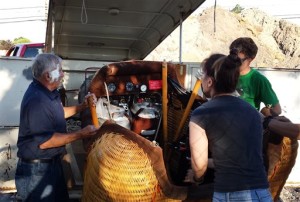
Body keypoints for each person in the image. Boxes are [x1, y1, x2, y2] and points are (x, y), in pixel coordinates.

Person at [187, 50, 273, 201]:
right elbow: (238, 160)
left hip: (231, 194)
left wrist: (196, 178)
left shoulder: (201, 114)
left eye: (203, 76)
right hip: (262, 193)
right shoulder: (253, 112)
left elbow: (199, 166)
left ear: (209, 81)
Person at [15, 53, 98, 202]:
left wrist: (83, 106)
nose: (63, 74)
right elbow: (46, 141)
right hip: (37, 172)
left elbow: (60, 113)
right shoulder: (37, 100)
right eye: (59, 70)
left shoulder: (49, 92)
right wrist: (81, 134)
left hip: (52, 165)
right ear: (48, 75)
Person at [229, 37, 281, 117]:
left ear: (251, 59)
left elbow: (276, 109)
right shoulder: (222, 72)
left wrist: (265, 111)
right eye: (231, 57)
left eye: (238, 60)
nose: (233, 62)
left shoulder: (258, 80)